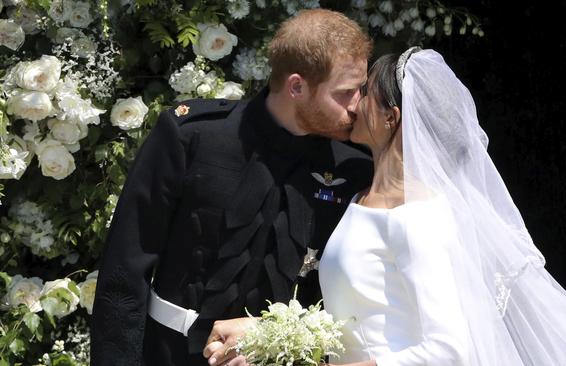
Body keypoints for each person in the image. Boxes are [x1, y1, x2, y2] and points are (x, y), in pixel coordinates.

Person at [316, 48, 566, 365]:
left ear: (391, 117)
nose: (355, 103)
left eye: (366, 91)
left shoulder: (416, 216)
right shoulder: (362, 199)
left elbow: (450, 350)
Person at [90, 9, 373, 366]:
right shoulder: (193, 137)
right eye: (345, 92)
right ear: (297, 86)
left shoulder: (353, 170)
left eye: (360, 89)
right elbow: (125, 269)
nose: (357, 105)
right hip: (169, 354)